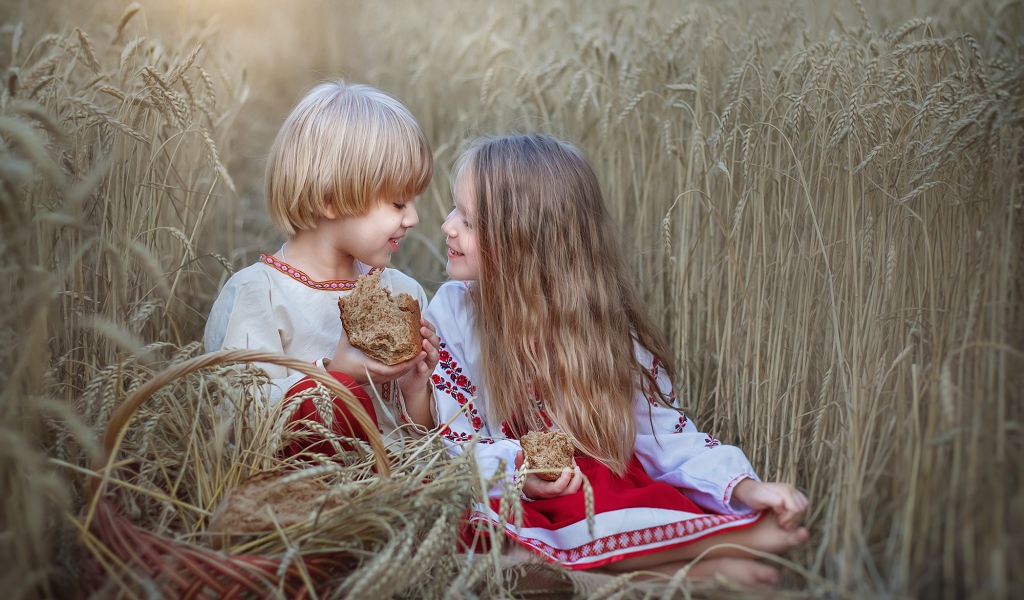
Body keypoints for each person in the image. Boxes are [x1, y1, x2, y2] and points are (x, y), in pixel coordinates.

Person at [424, 134, 809, 587]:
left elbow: (665, 435)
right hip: (509, 490)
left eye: (468, 221)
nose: (448, 226)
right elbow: (456, 437)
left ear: (525, 242)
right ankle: (703, 565)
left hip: (591, 495)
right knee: (481, 543)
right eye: (455, 211)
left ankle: (703, 548)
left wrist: (745, 486)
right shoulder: (453, 310)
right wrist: (520, 472)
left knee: (588, 496)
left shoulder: (602, 329)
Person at [204, 80, 439, 454]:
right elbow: (239, 427)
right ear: (331, 200)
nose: (413, 217)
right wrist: (336, 376)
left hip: (395, 492)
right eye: (397, 203)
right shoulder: (258, 296)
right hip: (299, 497)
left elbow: (425, 442)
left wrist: (415, 390)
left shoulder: (401, 293)